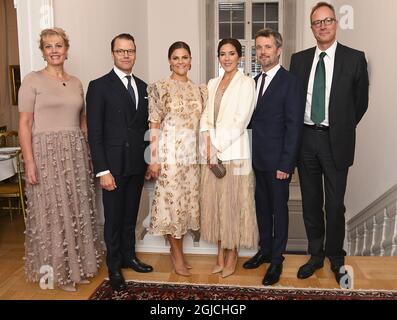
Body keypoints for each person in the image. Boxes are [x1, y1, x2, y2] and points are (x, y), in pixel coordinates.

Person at [289, 2, 369, 284]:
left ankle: (335, 257)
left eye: (328, 20)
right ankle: (315, 254)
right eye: (317, 22)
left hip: (336, 140)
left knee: (334, 205)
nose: (323, 26)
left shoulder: (354, 58)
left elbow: (360, 104)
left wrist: (341, 127)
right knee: (311, 202)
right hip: (306, 139)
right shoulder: (298, 60)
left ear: (336, 24)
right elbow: (294, 102)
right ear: (312, 28)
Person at [18, 28, 102, 292]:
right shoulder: (31, 80)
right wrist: (29, 162)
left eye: (58, 45)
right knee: (53, 212)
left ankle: (77, 269)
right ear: (42, 51)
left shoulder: (77, 82)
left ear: (67, 49)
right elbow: (24, 124)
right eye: (48, 46)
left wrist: (89, 154)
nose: (54, 50)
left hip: (75, 151)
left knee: (76, 210)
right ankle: (59, 273)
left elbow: (82, 121)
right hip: (46, 153)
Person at [86, 33, 153, 291]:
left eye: (130, 51)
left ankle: (129, 256)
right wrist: (102, 169)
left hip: (136, 165)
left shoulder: (144, 87)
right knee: (113, 218)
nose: (126, 55)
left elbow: (146, 130)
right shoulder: (99, 86)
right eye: (120, 51)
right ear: (112, 53)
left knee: (130, 217)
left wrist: (147, 162)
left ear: (135, 53)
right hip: (112, 167)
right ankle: (113, 265)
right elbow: (95, 132)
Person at [243, 29, 305, 286]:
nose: (263, 52)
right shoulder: (252, 82)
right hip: (256, 160)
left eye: (268, 47)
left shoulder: (291, 82)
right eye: (259, 47)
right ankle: (265, 250)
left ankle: (277, 259)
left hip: (278, 162)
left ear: (279, 50)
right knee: (262, 208)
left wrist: (286, 164)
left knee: (279, 211)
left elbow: (294, 126)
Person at [147, 41, 207, 277]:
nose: (181, 62)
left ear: (191, 60)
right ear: (169, 61)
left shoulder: (200, 90)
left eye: (185, 57)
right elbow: (154, 125)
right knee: (172, 207)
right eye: (176, 57)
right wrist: (154, 159)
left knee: (186, 206)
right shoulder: (160, 87)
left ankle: (178, 251)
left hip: (191, 159)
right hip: (169, 156)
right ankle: (177, 254)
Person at [200, 38, 258, 278]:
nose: (226, 58)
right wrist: (207, 145)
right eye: (222, 54)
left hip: (234, 155)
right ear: (218, 57)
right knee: (215, 207)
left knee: (233, 207)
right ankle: (219, 255)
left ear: (240, 57)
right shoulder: (212, 83)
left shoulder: (247, 83)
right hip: (211, 156)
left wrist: (218, 147)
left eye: (231, 53)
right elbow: (205, 117)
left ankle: (232, 254)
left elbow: (241, 120)